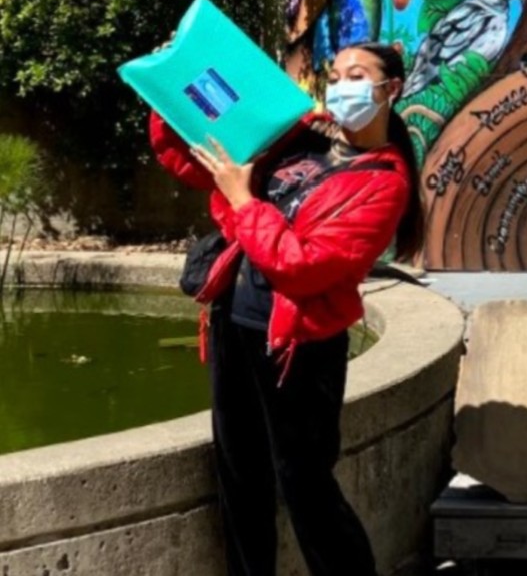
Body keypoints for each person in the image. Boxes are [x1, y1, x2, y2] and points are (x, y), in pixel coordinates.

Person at [149, 42, 424, 576]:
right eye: (337, 74)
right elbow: (198, 158)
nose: (342, 85)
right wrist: (172, 85)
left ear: (391, 90)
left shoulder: (383, 183)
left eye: (358, 75)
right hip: (236, 322)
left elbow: (303, 266)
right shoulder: (299, 137)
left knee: (306, 489)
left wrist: (245, 202)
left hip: (298, 347)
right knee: (238, 477)